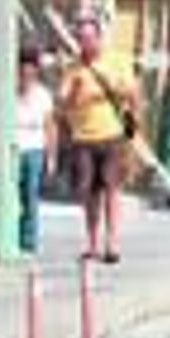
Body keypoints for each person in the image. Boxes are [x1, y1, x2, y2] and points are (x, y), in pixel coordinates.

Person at [58, 13, 139, 263]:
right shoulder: (73, 68)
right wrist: (75, 95)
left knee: (112, 189)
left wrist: (132, 133)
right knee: (90, 194)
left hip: (113, 135)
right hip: (83, 138)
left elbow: (133, 93)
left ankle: (112, 243)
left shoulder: (116, 60)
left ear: (99, 37)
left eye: (90, 37)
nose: (86, 43)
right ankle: (92, 243)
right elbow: (62, 102)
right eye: (81, 38)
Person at [15, 47, 57, 255]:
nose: (26, 75)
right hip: (12, 149)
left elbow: (50, 126)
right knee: (12, 196)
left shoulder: (43, 95)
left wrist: (51, 156)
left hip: (34, 149)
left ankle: (28, 240)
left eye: (30, 71)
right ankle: (12, 235)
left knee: (30, 195)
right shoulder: (7, 92)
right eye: (22, 71)